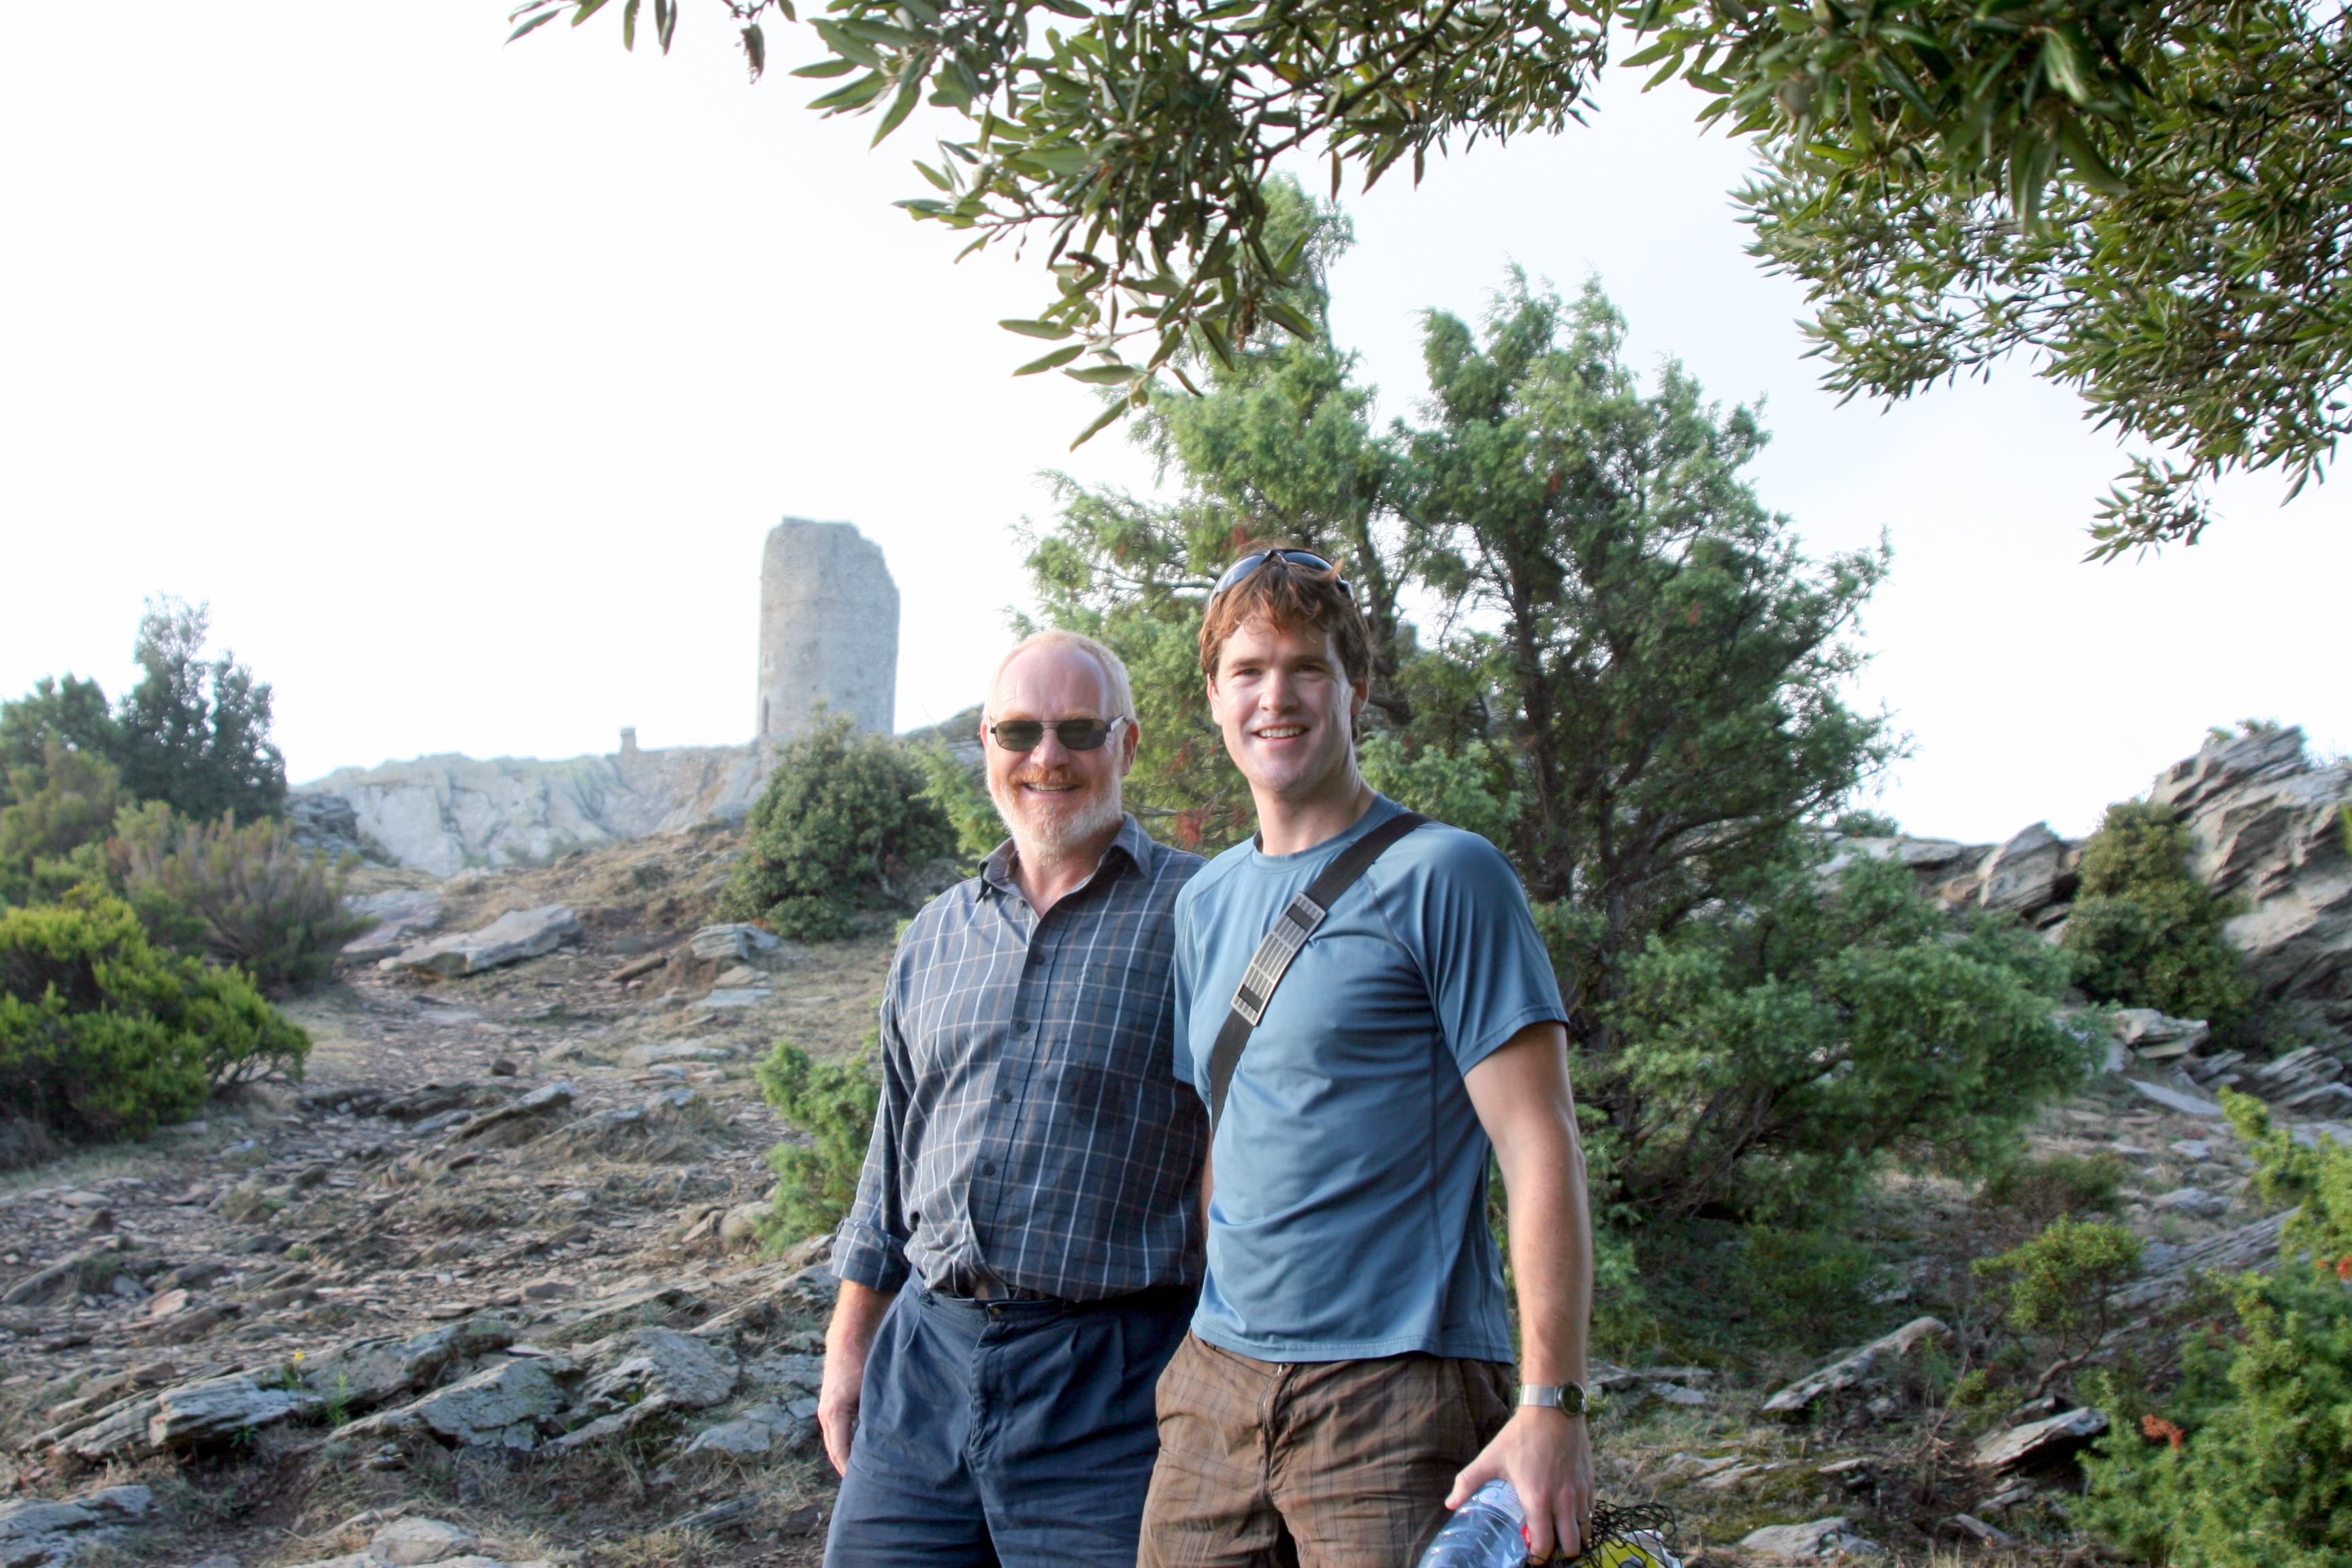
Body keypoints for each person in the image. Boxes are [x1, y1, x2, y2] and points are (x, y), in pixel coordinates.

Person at [1139, 546, 1599, 1568]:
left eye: (1307, 667)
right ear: (1213, 699)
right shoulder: (1205, 903)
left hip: (1401, 1393)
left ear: (1356, 688)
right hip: (1217, 1392)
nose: (1278, 697)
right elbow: (1231, 1127)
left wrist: (1551, 1403)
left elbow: (1539, 1144)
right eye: (1249, 672)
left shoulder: (1449, 876)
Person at [820, 629, 1209, 1568]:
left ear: (1128, 743)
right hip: (922, 1375)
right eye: (1020, 731)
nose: (1048, 757)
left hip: (1113, 1392)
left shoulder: (1206, 915)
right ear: (987, 742)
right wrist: (847, 1352)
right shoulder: (935, 935)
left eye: (1080, 729)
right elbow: (893, 1156)